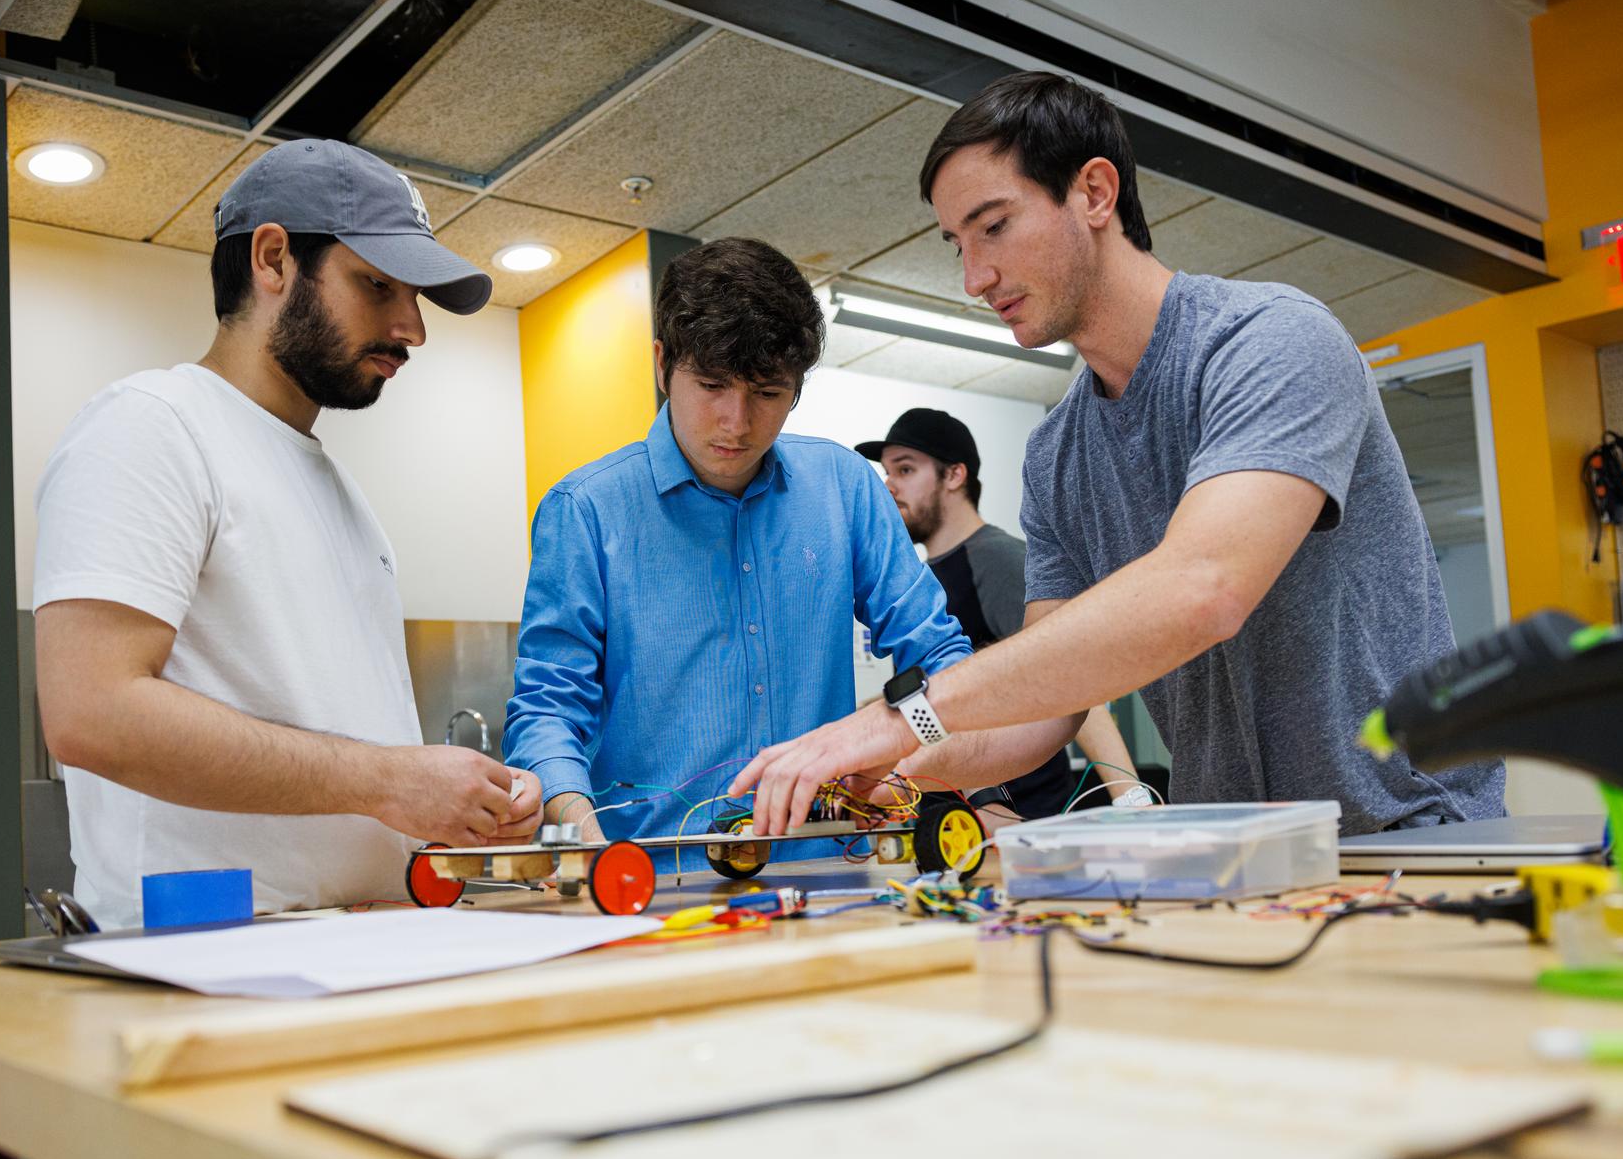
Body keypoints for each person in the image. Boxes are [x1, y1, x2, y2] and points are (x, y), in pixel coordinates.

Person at [33, 139, 544, 1159]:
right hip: (223, 1003)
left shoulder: (332, 486)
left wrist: (449, 804)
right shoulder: (150, 427)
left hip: (352, 982)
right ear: (274, 260)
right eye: (380, 286)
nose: (412, 328)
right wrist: (386, 781)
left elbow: (340, 751)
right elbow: (91, 706)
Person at [732, 71, 1505, 835]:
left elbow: (1205, 587)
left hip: (1412, 834)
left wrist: (907, 713)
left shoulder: (1271, 341)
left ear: (1095, 193)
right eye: (957, 244)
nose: (975, 277)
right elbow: (1046, 708)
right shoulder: (1058, 455)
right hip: (1238, 855)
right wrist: (903, 755)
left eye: (993, 226)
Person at [503, 238, 971, 857]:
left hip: (826, 876)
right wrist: (581, 838)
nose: (737, 422)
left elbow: (941, 656)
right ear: (662, 363)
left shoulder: (845, 488)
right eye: (712, 384)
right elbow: (549, 710)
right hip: (648, 879)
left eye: (768, 392)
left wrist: (910, 748)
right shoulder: (587, 510)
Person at [862, 407, 1145, 819]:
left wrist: (1128, 795)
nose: (889, 486)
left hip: (1021, 815)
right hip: (956, 814)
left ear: (954, 476)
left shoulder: (996, 558)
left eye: (905, 471)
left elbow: (1069, 676)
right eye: (887, 472)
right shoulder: (921, 579)